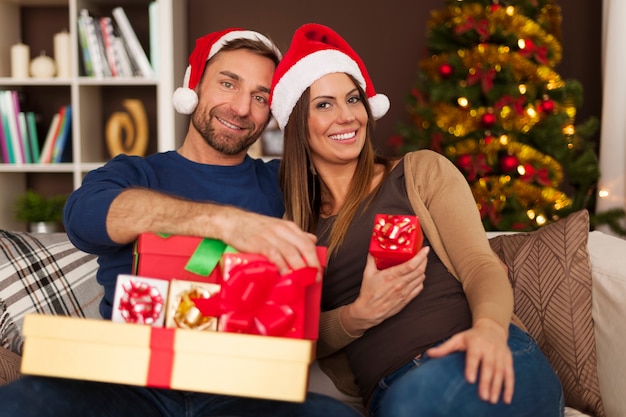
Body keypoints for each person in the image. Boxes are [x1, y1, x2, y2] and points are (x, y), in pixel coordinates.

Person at [0, 28, 363, 417]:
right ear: (194, 87)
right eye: (228, 84)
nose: (242, 108)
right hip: (128, 384)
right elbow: (83, 219)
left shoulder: (284, 181)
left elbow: (364, 177)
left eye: (260, 97)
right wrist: (224, 223)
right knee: (21, 403)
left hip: (242, 391)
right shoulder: (135, 173)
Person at [270, 23, 564, 417]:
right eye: (324, 104)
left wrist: (490, 331)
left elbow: (480, 265)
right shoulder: (296, 226)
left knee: (415, 403)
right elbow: (298, 334)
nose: (347, 116)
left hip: (481, 353)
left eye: (353, 99)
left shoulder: (418, 173)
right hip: (389, 392)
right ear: (297, 124)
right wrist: (358, 314)